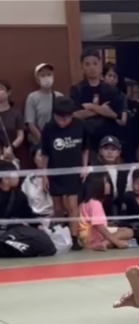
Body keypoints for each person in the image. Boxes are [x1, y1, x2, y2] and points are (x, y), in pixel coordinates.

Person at [41, 96, 89, 251]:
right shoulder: (48, 128)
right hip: (55, 171)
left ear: (72, 115)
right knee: (58, 207)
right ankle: (59, 235)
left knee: (72, 204)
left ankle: (74, 238)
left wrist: (84, 167)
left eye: (66, 118)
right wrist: (44, 175)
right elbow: (45, 154)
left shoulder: (80, 125)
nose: (62, 122)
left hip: (74, 170)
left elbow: (85, 149)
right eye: (58, 118)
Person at [70, 48, 124, 151]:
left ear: (100, 65)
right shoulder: (76, 89)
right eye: (87, 64)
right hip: (85, 139)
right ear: (82, 67)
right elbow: (75, 115)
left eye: (95, 63)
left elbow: (115, 114)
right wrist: (101, 109)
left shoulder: (111, 90)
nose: (92, 68)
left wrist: (91, 107)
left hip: (109, 140)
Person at [78, 172, 134, 250]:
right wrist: (117, 242)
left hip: (84, 237)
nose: (109, 185)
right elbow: (99, 226)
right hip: (92, 237)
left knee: (127, 231)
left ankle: (106, 243)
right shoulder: (95, 203)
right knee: (128, 233)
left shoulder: (85, 202)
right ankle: (104, 243)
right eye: (106, 182)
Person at [24, 63, 63, 152]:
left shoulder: (59, 96)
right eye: (43, 75)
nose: (46, 78)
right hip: (41, 142)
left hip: (59, 141)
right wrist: (44, 141)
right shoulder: (32, 98)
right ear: (37, 80)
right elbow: (30, 124)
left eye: (49, 74)